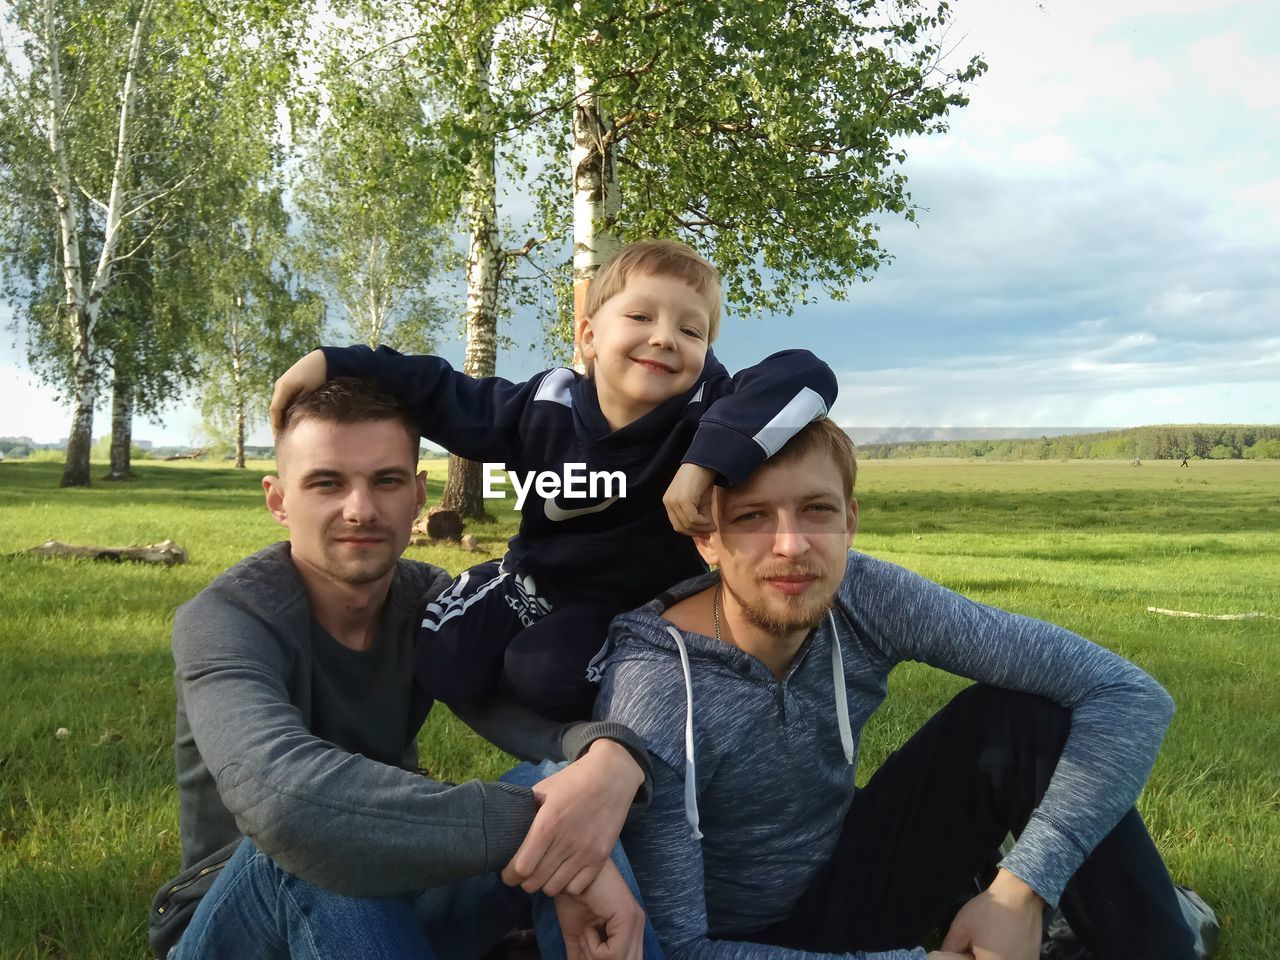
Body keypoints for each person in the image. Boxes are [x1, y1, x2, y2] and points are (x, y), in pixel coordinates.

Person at [596, 417, 1198, 960]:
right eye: (753, 516)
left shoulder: (863, 595)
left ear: (850, 521)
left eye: (817, 510)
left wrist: (1024, 888)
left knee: (1019, 719)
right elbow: (672, 948)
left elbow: (1127, 693)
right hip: (741, 939)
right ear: (707, 538)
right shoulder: (656, 688)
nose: (792, 546)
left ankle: (1149, 939)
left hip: (851, 870)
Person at [149, 378, 654, 960]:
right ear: (278, 500)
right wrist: (541, 831)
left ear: (417, 495)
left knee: (560, 789)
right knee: (322, 845)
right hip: (233, 918)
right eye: (326, 483)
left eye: (385, 481)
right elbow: (284, 803)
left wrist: (607, 757)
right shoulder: (225, 619)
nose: (360, 509)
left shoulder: (431, 605)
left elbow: (515, 717)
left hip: (386, 898)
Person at [269, 239, 837, 722]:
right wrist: (336, 360)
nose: (664, 337)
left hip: (647, 606)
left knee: (543, 675)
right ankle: (493, 589)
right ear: (589, 336)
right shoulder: (544, 405)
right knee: (446, 662)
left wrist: (703, 465)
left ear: (705, 352)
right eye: (640, 317)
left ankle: (644, 695)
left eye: (690, 330)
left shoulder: (707, 410)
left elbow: (808, 374)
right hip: (539, 582)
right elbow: (442, 391)